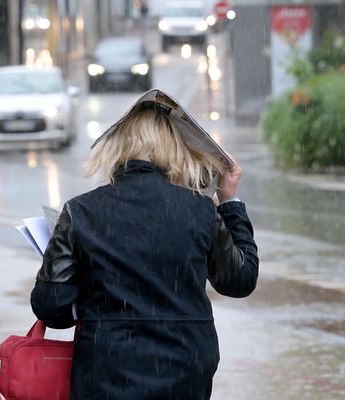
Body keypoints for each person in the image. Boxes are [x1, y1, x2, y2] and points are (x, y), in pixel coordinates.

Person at [30, 101, 259, 399]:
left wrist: (88, 288)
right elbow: (240, 281)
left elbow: (52, 307)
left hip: (107, 371)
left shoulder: (80, 212)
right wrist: (229, 203)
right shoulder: (200, 211)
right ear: (175, 148)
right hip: (185, 369)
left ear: (118, 148)